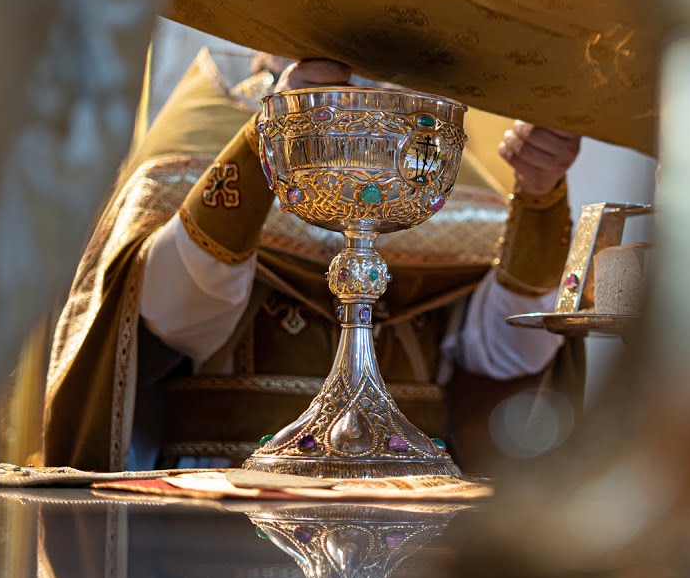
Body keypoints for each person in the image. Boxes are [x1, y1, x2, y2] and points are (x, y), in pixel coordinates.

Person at [43, 52, 584, 472]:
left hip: (405, 501)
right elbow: (170, 317)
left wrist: (539, 195)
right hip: (232, 500)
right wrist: (266, 141)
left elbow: (507, 352)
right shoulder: (202, 134)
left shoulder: (431, 151)